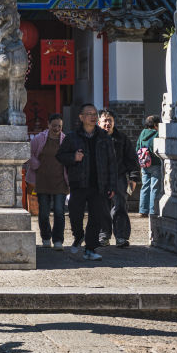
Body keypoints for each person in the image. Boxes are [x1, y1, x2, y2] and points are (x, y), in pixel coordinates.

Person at [56, 104, 117, 261]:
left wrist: (112, 185)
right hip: (79, 182)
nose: (92, 116)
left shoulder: (104, 137)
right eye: (89, 114)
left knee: (96, 217)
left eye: (94, 114)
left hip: (99, 184)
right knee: (75, 214)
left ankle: (90, 249)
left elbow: (112, 162)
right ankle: (78, 235)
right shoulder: (72, 137)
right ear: (81, 117)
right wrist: (73, 157)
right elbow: (60, 156)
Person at [98, 110, 140, 248]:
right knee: (102, 207)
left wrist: (133, 177)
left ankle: (121, 237)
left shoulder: (121, 138)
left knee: (120, 206)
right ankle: (103, 235)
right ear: (99, 123)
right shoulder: (94, 139)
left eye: (110, 120)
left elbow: (131, 159)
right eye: (104, 120)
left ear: (114, 122)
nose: (107, 123)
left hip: (119, 177)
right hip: (100, 177)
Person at [26, 113, 68, 250]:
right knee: (44, 212)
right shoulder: (39, 139)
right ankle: (45, 237)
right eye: (54, 125)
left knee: (59, 211)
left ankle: (58, 240)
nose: (57, 129)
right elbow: (28, 152)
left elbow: (69, 157)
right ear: (48, 125)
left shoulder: (65, 140)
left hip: (60, 181)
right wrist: (36, 164)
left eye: (59, 126)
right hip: (42, 180)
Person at [136, 115, 163, 217]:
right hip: (155, 163)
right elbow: (155, 148)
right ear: (156, 125)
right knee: (154, 188)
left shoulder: (143, 133)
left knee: (145, 186)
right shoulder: (157, 134)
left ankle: (143, 210)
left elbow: (137, 147)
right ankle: (152, 211)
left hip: (144, 163)